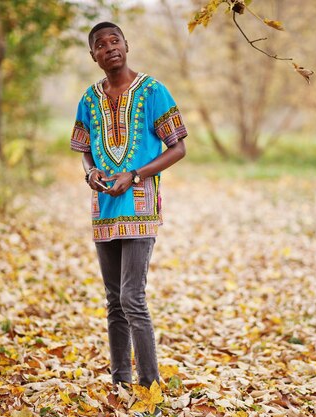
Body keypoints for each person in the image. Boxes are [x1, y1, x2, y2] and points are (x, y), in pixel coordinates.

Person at [70, 21, 187, 416]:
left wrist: (135, 174)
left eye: (114, 40)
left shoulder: (153, 91)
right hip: (104, 209)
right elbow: (84, 148)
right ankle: (120, 381)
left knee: (132, 298)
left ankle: (150, 387)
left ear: (127, 45)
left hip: (138, 204)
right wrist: (90, 172)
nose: (109, 48)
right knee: (113, 301)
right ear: (94, 56)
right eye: (100, 45)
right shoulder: (89, 98)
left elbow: (178, 147)